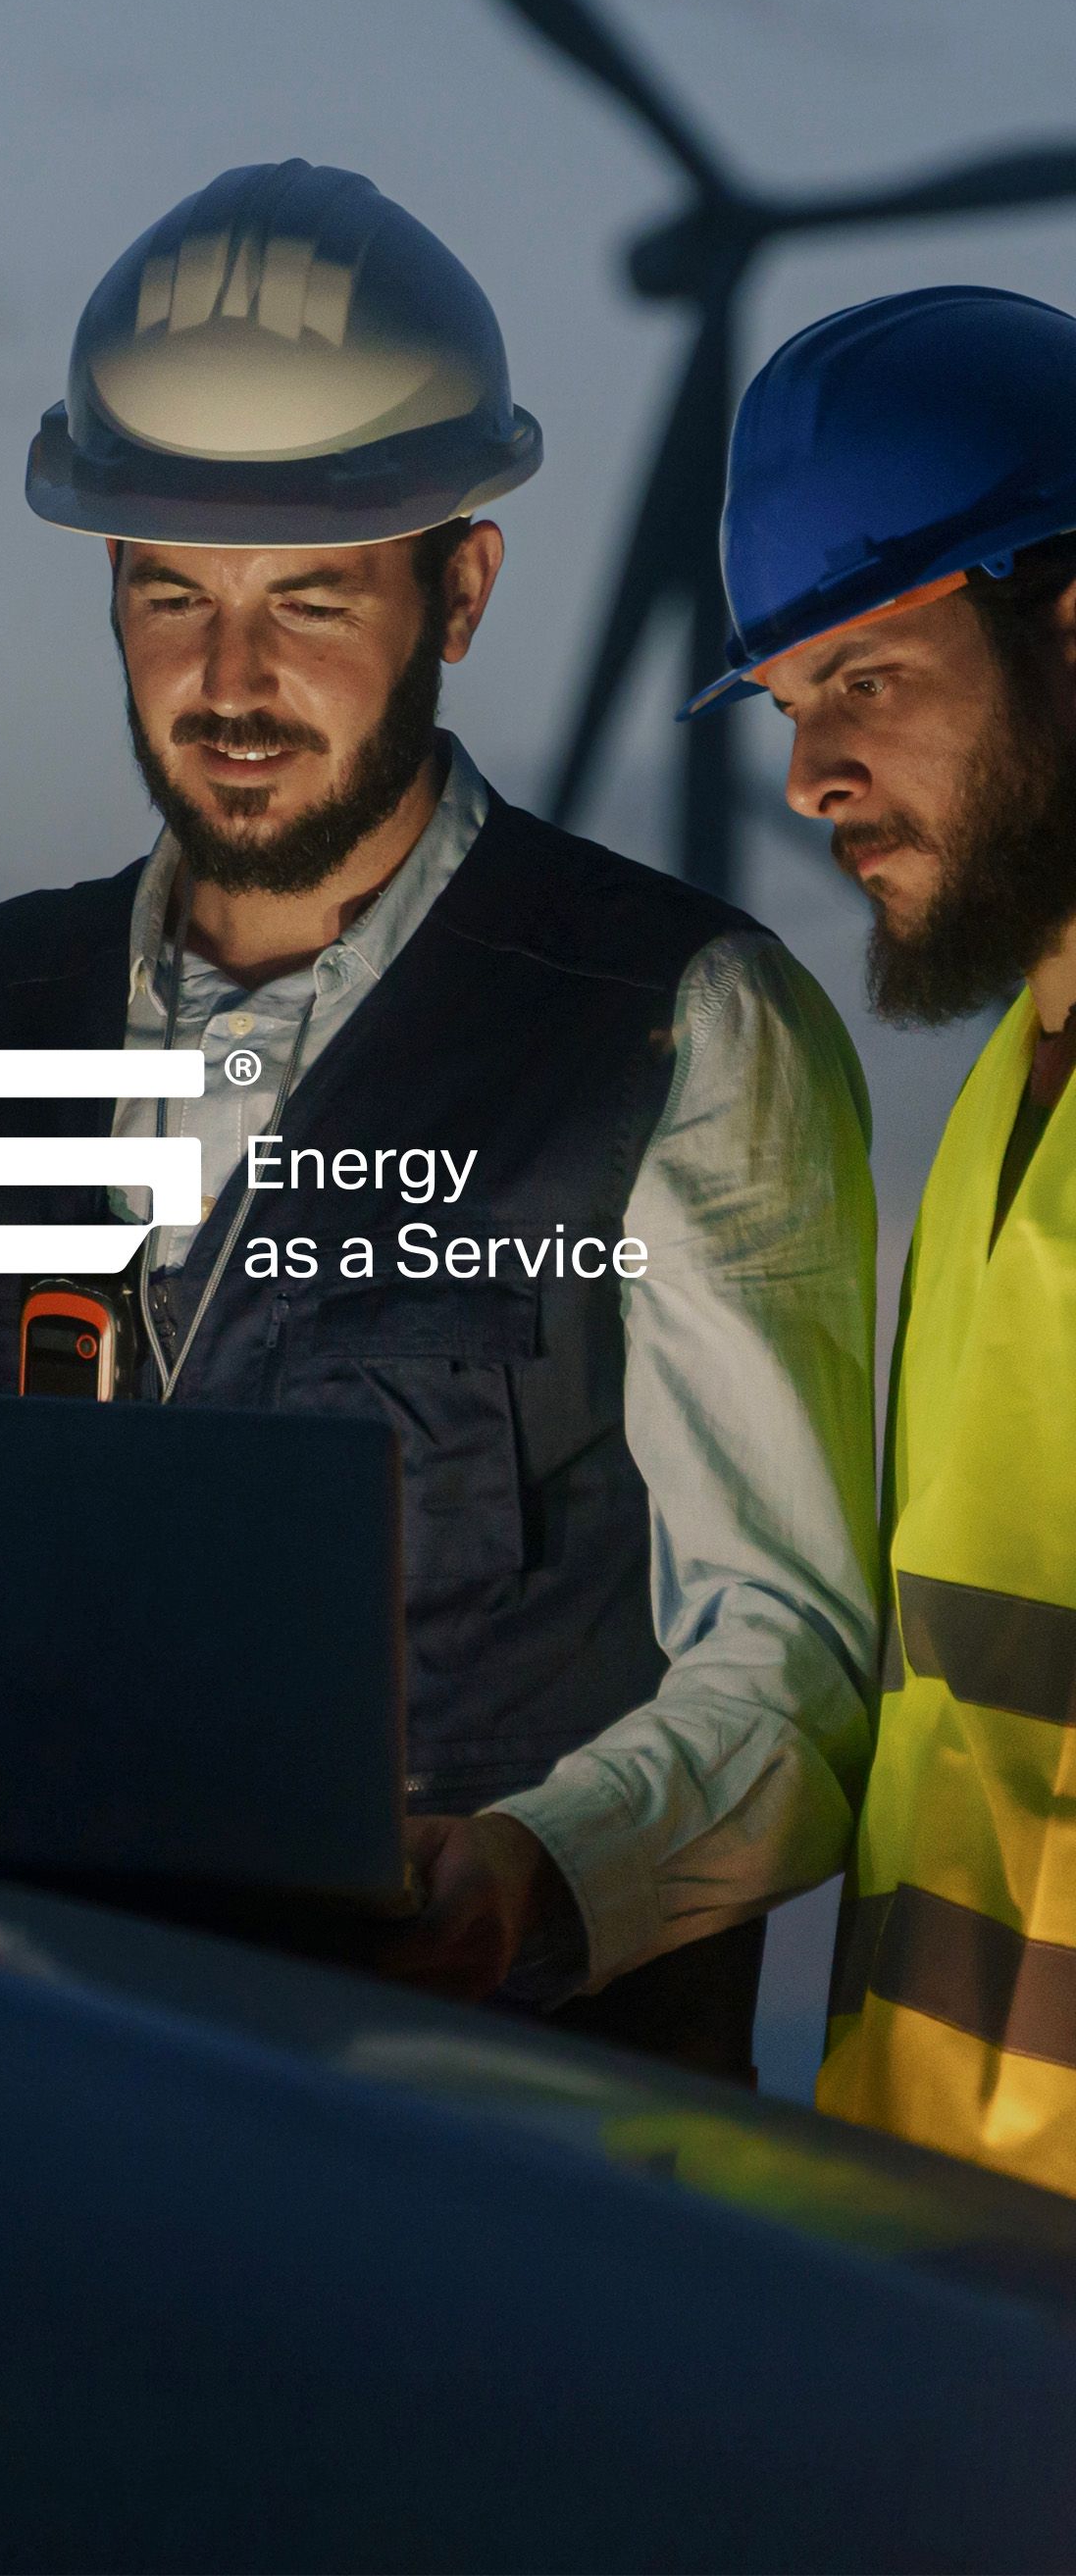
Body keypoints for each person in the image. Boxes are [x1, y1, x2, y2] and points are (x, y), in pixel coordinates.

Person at [0, 162, 879, 2076]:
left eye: (310, 598)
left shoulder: (678, 1030)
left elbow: (788, 1668)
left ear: (462, 586)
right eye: (168, 594)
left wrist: (538, 1871)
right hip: (14, 2122)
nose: (231, 681)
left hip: (501, 2194)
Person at [693, 285, 1076, 2184]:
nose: (808, 778)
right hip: (952, 2225)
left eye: (868, 676)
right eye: (785, 704)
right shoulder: (1015, 1075)